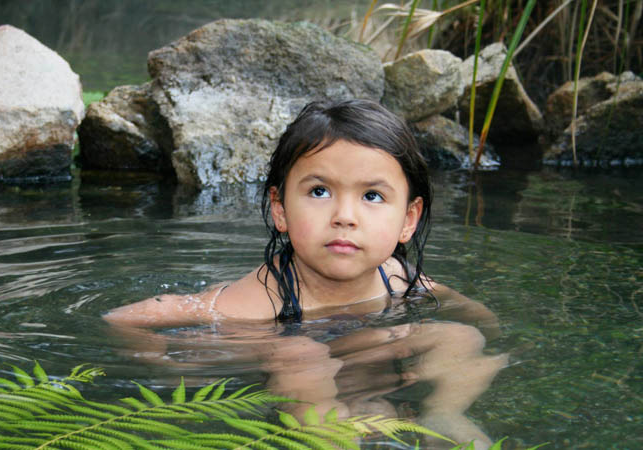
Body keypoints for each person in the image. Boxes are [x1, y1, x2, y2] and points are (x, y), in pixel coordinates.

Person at [103, 99, 506, 449]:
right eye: (319, 191)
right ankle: (330, 439)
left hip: (373, 376)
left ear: (408, 219)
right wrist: (169, 365)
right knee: (300, 353)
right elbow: (126, 318)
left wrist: (485, 324)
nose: (344, 217)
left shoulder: (396, 275)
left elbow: (460, 306)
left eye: (372, 196)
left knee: (459, 336)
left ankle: (444, 416)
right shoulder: (265, 297)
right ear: (280, 209)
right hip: (302, 390)